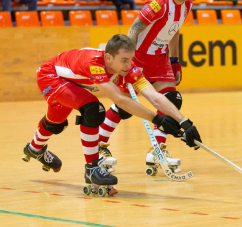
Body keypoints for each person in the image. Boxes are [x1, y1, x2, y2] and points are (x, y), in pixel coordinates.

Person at [22, 34, 202, 196]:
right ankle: (92, 169)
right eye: (124, 60)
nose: (128, 65)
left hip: (73, 82)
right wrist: (157, 119)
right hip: (51, 76)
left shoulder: (127, 67)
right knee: (93, 110)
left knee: (55, 123)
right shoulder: (94, 64)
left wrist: (184, 121)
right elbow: (120, 100)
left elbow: (154, 97)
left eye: (131, 59)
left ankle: (34, 149)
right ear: (109, 57)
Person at [98, 0, 198, 174]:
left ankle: (157, 150)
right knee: (125, 106)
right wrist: (129, 61)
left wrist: (175, 59)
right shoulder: (158, 3)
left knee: (172, 100)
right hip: (140, 58)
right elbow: (133, 29)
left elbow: (175, 30)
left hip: (160, 59)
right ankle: (100, 145)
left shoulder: (187, 4)